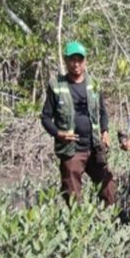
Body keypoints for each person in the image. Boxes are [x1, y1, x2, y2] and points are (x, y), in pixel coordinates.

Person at [41, 41, 116, 205]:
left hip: (95, 148)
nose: (76, 64)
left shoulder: (94, 84)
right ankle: (78, 229)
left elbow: (102, 112)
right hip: (72, 150)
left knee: (108, 189)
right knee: (72, 197)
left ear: (85, 61)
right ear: (66, 61)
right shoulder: (56, 86)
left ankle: (110, 225)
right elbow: (45, 118)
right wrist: (59, 133)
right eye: (72, 60)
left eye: (79, 60)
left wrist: (105, 131)